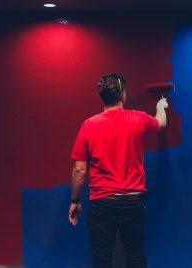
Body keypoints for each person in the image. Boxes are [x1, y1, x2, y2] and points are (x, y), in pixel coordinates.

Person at [68, 73, 168, 268]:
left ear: (102, 97)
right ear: (123, 94)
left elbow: (79, 171)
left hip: (102, 203)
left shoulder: (89, 125)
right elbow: (161, 123)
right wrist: (160, 107)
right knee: (135, 254)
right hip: (133, 201)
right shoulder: (138, 118)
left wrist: (75, 201)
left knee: (102, 259)